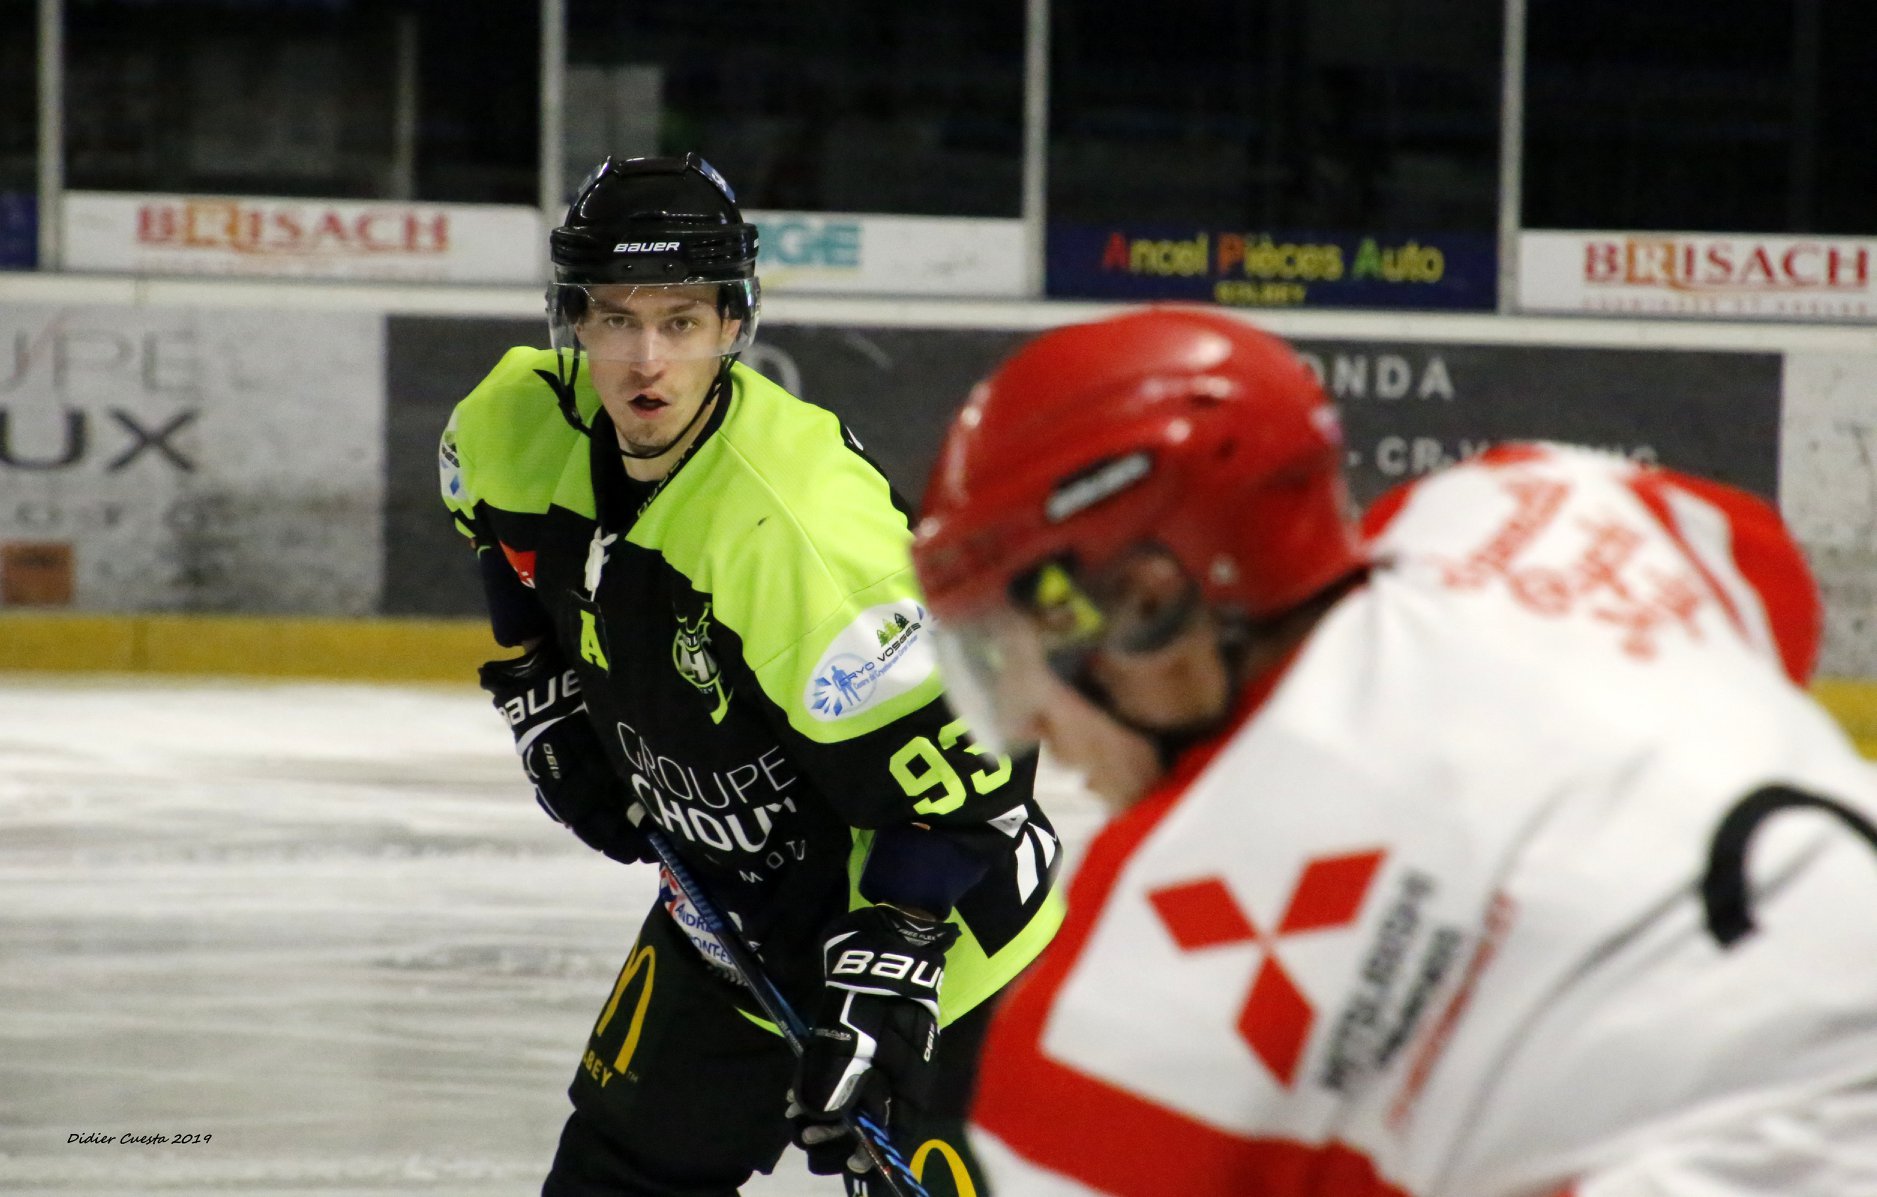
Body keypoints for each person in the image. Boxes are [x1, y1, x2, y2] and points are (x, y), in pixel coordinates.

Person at [909, 305, 1877, 1196]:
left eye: (1013, 651)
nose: (1024, 720)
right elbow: (1769, 589)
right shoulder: (1542, 511)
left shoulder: (1125, 986)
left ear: (1149, 604)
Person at [439, 152, 1063, 1196]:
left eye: (679, 322)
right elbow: (507, 556)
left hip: (949, 952)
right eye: (615, 319)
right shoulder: (511, 425)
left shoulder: (798, 533)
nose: (646, 361)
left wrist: (888, 967)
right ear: (571, 320)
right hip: (728, 924)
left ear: (734, 326)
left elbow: (974, 762)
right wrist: (546, 692)